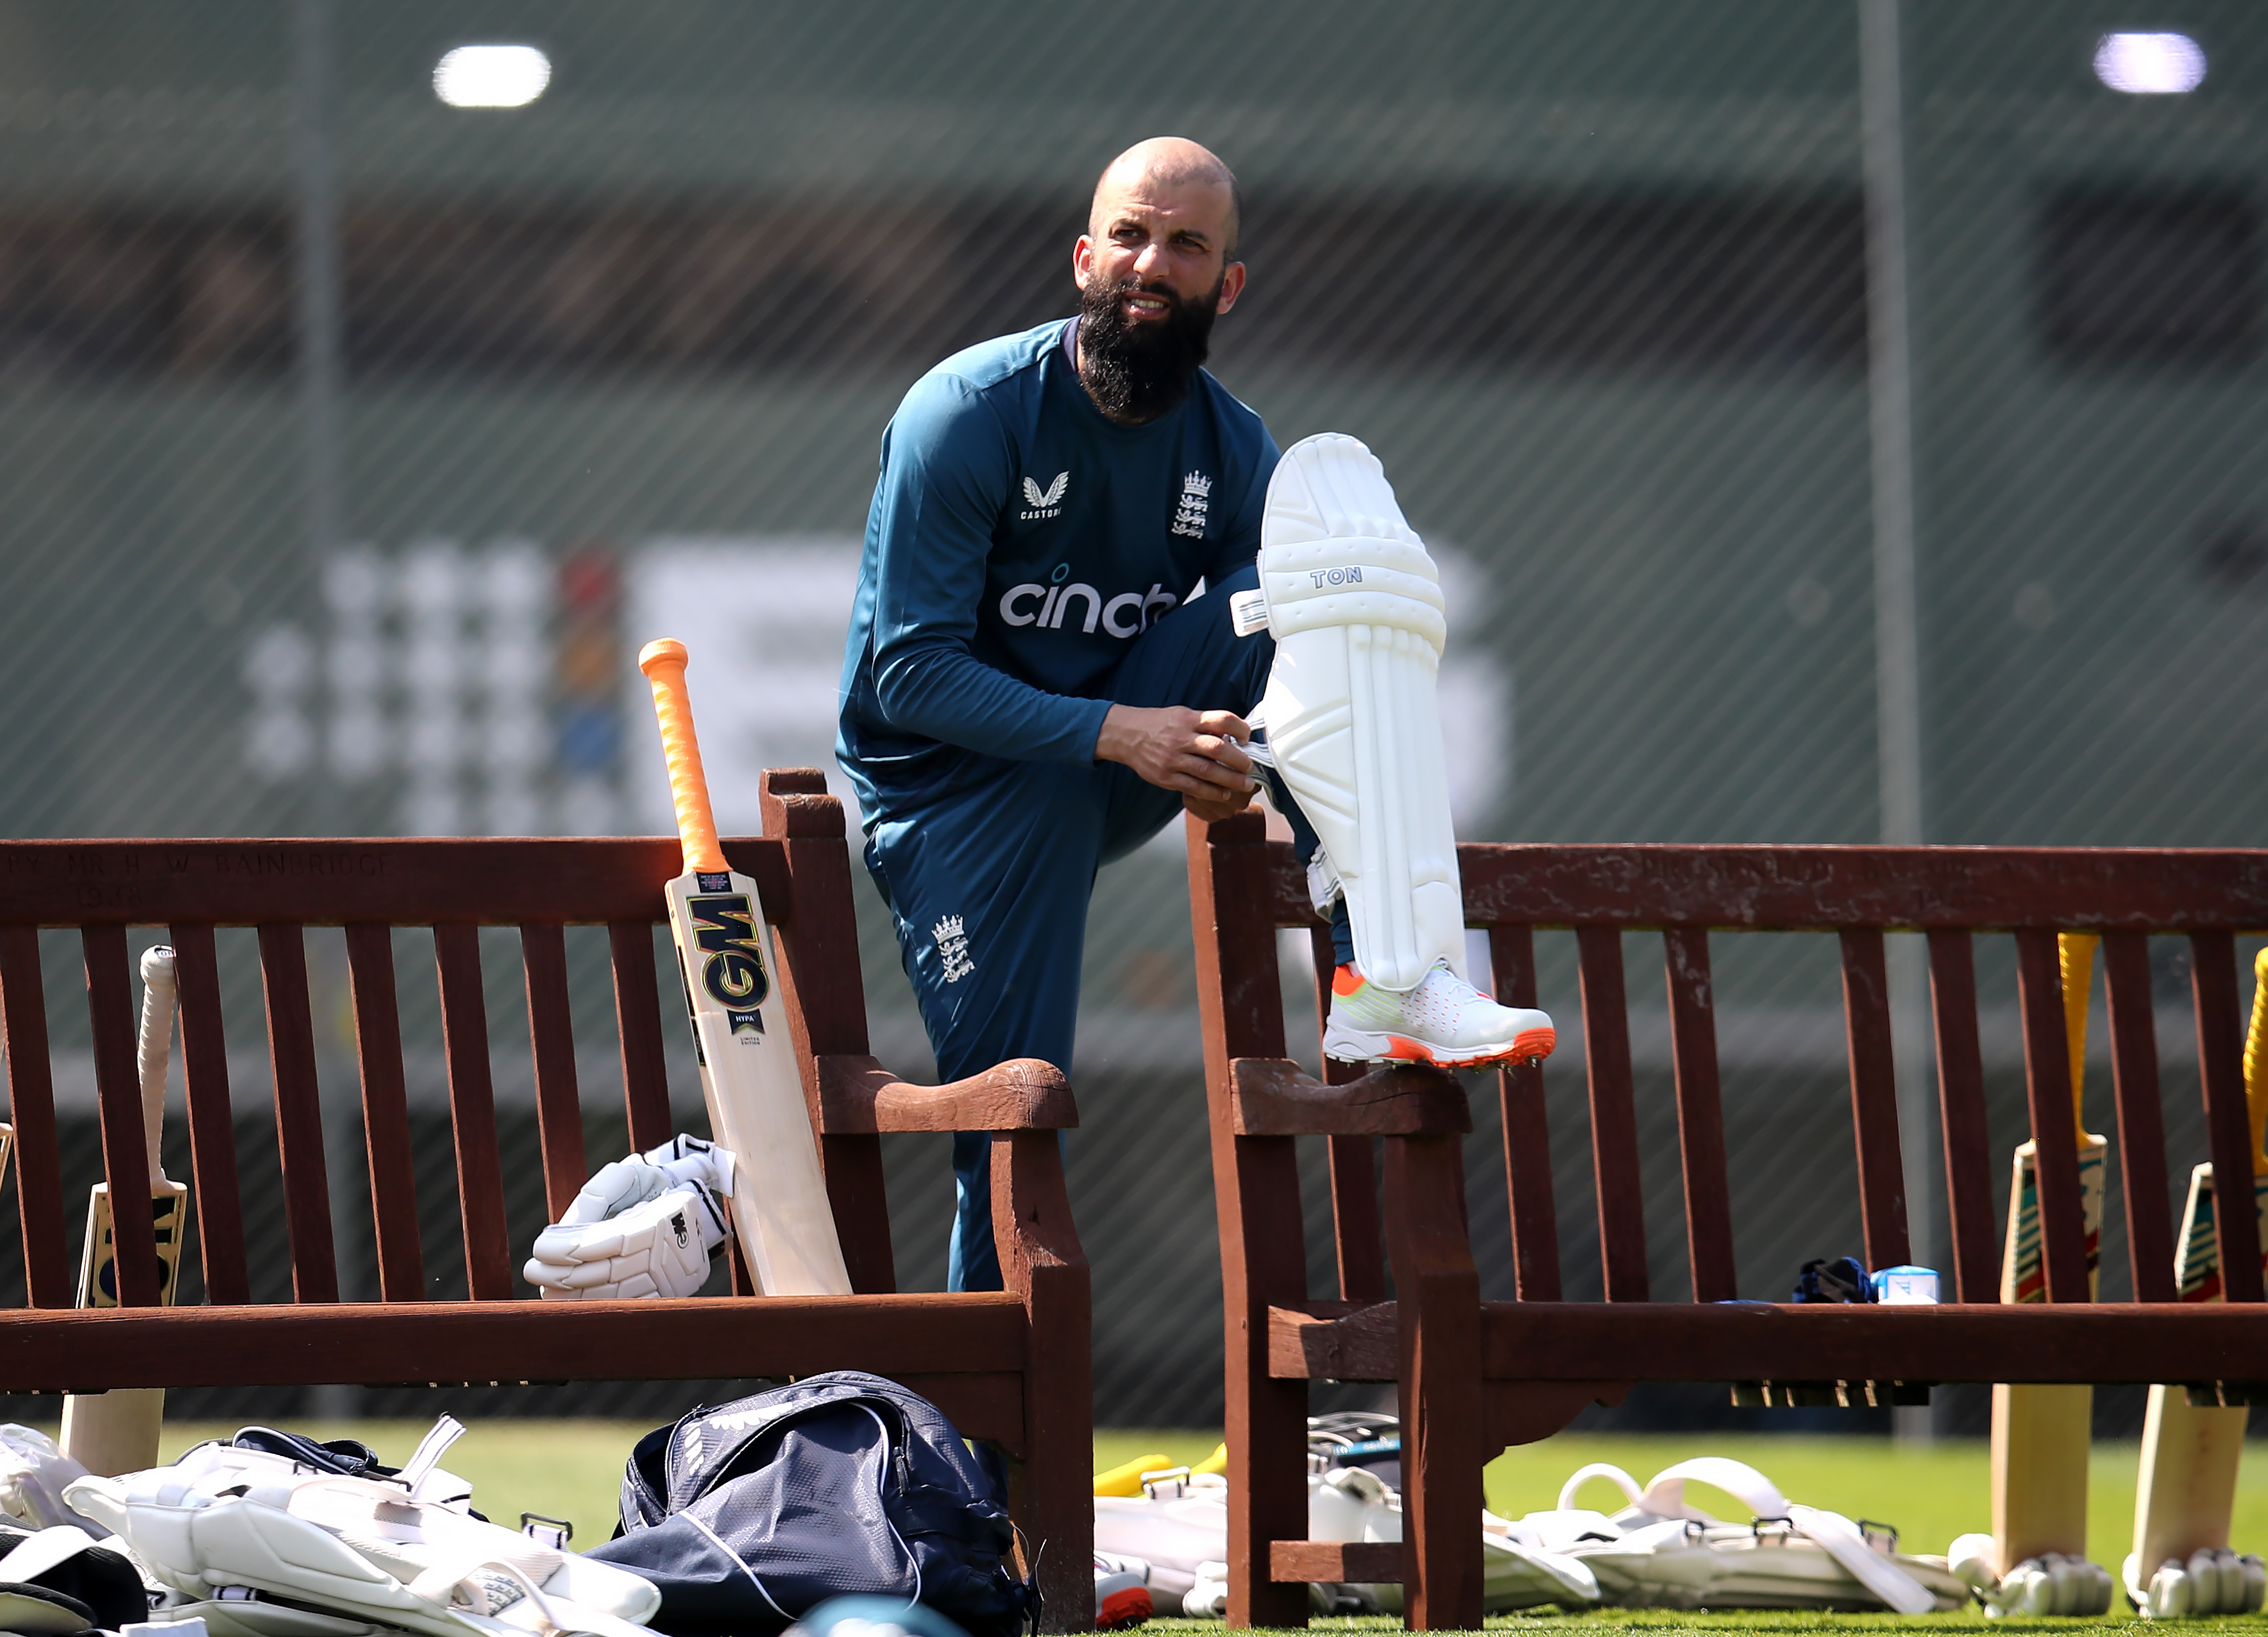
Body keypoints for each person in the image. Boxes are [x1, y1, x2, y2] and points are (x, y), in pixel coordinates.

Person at [837, 138, 1548, 1292]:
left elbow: (1270, 659)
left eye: (1186, 245)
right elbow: (905, 679)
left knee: (1329, 566)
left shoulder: (1232, 446)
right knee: (1010, 1115)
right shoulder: (965, 413)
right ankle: (967, 1466)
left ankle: (1388, 974)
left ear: (1230, 283)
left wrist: (1249, 757)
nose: (1150, 265)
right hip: (951, 792)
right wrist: (1126, 735)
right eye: (1128, 235)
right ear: (1082, 258)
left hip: (1106, 756)